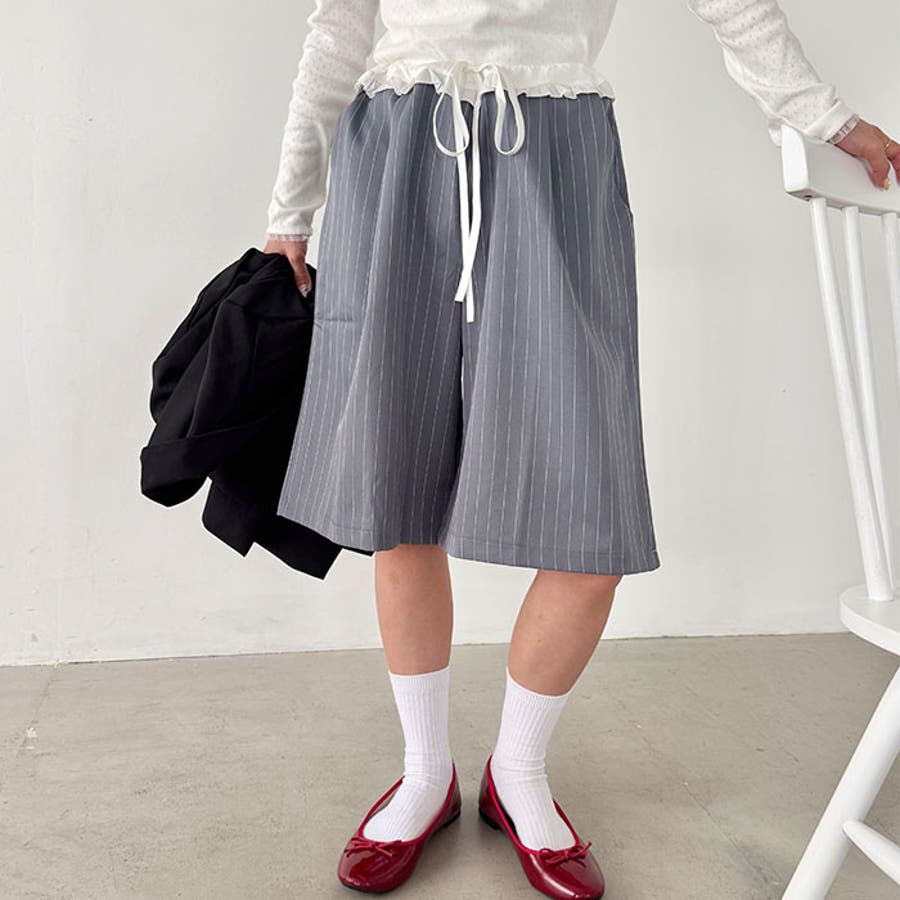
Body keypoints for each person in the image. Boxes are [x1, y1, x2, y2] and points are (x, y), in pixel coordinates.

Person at [262, 2, 898, 897]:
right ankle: (424, 773)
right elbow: (337, 29)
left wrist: (827, 119)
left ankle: (517, 771)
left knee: (590, 520)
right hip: (399, 147)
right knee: (395, 494)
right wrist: (290, 210)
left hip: (557, 152)